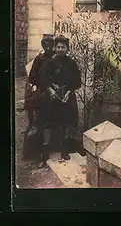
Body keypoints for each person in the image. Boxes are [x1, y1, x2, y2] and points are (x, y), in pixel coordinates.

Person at [37, 35, 81, 166]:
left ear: (67, 48)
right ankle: (44, 153)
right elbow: (43, 79)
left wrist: (68, 92)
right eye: (58, 47)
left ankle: (64, 150)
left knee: (67, 122)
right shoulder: (49, 62)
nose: (61, 49)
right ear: (55, 48)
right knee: (48, 123)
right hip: (52, 96)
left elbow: (76, 81)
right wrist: (50, 90)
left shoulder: (72, 63)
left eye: (63, 47)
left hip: (67, 95)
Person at [23, 34, 55, 135]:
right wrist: (35, 84)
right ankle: (31, 124)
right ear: (42, 46)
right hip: (41, 86)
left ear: (52, 44)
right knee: (29, 100)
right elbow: (32, 74)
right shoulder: (39, 58)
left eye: (49, 44)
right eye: (45, 44)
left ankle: (37, 125)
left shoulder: (56, 57)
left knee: (44, 100)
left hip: (53, 88)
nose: (47, 46)